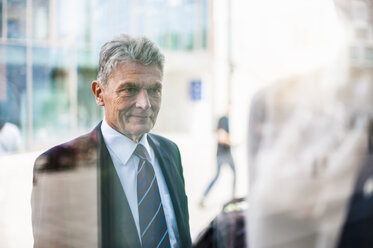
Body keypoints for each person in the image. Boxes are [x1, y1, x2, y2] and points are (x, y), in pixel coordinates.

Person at [31, 34, 192, 248]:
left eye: (154, 90)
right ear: (99, 93)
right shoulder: (58, 165)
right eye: (129, 89)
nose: (145, 104)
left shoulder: (170, 152)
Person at [199, 103, 236, 208]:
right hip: (223, 154)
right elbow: (221, 137)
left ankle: (204, 197)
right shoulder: (223, 120)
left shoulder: (225, 119)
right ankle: (204, 197)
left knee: (233, 174)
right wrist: (233, 143)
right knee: (219, 176)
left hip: (225, 153)